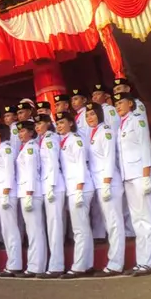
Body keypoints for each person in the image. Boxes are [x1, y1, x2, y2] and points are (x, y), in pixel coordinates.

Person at [114, 92, 151, 277]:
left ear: (131, 104)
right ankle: (142, 261)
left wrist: (147, 175)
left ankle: (150, 261)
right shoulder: (121, 125)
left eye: (121, 102)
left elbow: (144, 146)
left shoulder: (137, 120)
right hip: (129, 177)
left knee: (147, 219)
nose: (118, 106)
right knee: (137, 221)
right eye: (116, 103)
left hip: (141, 175)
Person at [85, 102, 126, 277]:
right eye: (87, 116)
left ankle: (116, 264)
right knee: (110, 224)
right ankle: (114, 262)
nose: (89, 118)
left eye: (92, 114)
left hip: (108, 182)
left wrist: (107, 182)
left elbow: (109, 158)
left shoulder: (106, 132)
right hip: (100, 183)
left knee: (115, 224)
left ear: (100, 115)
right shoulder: (93, 133)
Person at [55, 111, 95, 279]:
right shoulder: (63, 141)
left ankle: (79, 267)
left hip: (80, 187)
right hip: (74, 187)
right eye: (57, 123)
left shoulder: (75, 140)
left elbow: (80, 165)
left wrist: (78, 189)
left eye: (62, 122)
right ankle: (87, 264)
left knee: (80, 228)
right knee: (82, 227)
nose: (59, 126)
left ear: (71, 123)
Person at [34, 113, 66, 278]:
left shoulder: (50, 139)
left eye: (40, 123)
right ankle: (53, 264)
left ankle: (56, 266)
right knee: (51, 226)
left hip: (53, 185)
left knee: (55, 227)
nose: (37, 127)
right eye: (36, 124)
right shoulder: (42, 140)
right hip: (47, 186)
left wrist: (52, 185)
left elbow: (53, 162)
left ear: (48, 124)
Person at [15, 120, 47, 278]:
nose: (20, 134)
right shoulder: (26, 148)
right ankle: (35, 265)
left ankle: (36, 267)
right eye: (19, 132)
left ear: (31, 133)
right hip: (27, 191)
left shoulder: (31, 149)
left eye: (23, 131)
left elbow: (32, 172)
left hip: (31, 192)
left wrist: (29, 193)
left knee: (35, 231)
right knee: (32, 230)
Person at [0, 123, 23, 277]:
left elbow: (10, 171)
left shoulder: (7, 148)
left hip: (7, 192)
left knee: (11, 229)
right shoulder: (0, 149)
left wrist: (6, 192)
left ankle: (15, 264)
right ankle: (12, 263)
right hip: (1, 192)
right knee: (6, 230)